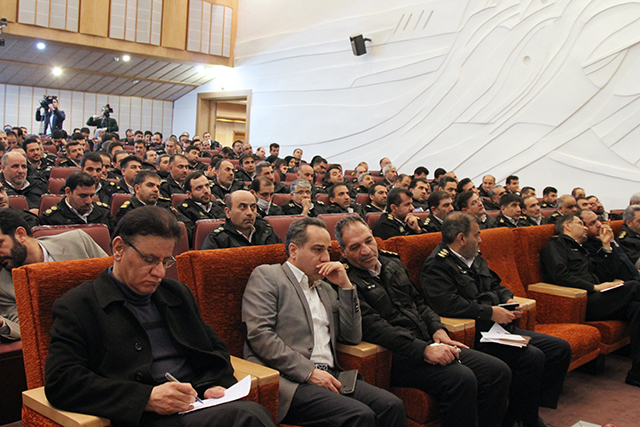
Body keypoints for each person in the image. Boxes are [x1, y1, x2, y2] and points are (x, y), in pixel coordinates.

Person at [44, 206, 274, 427]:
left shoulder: (176, 293)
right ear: (119, 249)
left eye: (166, 261)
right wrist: (146, 398)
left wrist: (210, 386)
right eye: (149, 260)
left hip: (195, 404)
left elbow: (215, 349)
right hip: (141, 415)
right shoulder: (79, 305)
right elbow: (62, 381)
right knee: (248, 417)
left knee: (249, 414)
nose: (160, 272)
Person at [337, 216, 510, 427]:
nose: (366, 251)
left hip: (427, 340)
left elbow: (419, 302)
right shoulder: (345, 280)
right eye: (355, 247)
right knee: (461, 379)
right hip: (396, 355)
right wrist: (423, 350)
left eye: (368, 241)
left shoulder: (392, 263)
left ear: (374, 237)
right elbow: (375, 327)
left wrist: (437, 329)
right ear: (343, 252)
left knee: (497, 371)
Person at [242, 217, 406, 426]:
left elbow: (352, 336)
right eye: (317, 250)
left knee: (392, 405)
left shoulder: (325, 287)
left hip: (332, 374)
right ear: (293, 250)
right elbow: (260, 335)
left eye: (328, 250)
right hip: (291, 381)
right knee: (359, 415)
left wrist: (346, 287)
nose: (326, 258)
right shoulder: (268, 276)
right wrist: (308, 372)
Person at [421, 212, 571, 427]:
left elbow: (495, 285)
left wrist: (508, 299)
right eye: (476, 235)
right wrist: (490, 312)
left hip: (499, 328)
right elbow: (447, 304)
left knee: (559, 349)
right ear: (462, 238)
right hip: (476, 333)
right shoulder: (437, 264)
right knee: (532, 357)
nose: (480, 239)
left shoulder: (474, 257)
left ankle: (521, 413)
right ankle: (525, 420)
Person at [541, 213, 640, 387]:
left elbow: (605, 276)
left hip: (599, 298)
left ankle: (636, 373)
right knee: (634, 286)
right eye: (581, 223)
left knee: (637, 307)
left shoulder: (583, 248)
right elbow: (559, 274)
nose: (586, 227)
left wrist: (606, 246)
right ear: (567, 226)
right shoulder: (556, 244)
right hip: (579, 301)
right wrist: (593, 287)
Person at [0, 208, 107, 340]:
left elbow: (113, 280)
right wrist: (2, 323)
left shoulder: (78, 242)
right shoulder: (3, 287)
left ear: (20, 234)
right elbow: (25, 327)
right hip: (63, 341)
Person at [200, 190, 281, 250]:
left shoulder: (266, 232)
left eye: (253, 207)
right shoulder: (217, 239)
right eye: (243, 207)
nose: (249, 213)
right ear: (228, 212)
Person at [40, 171, 115, 233]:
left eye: (91, 196)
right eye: (83, 196)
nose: (89, 201)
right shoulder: (51, 219)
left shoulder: (104, 213)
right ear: (68, 192)